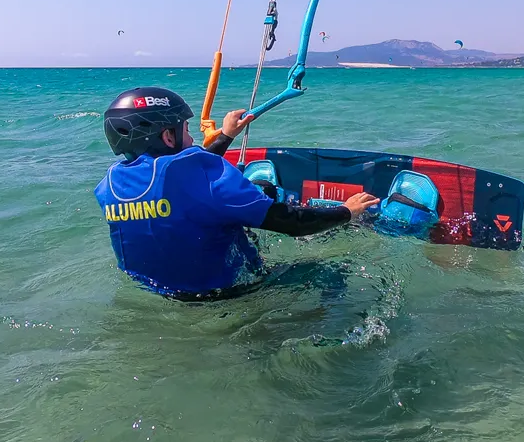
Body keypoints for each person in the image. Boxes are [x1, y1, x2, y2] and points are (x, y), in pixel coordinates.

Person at [94, 87, 380, 300]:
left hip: (161, 294)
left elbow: (184, 184)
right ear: (168, 137)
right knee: (332, 270)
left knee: (257, 193)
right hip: (232, 294)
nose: (192, 138)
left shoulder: (109, 185)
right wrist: (346, 211)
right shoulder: (199, 170)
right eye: (185, 130)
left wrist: (226, 136)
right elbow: (291, 224)